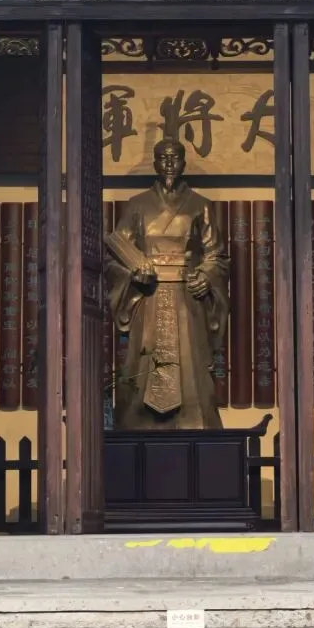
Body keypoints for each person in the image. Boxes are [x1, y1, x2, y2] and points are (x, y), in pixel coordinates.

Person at [105, 137, 229, 430]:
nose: (170, 163)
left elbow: (217, 255)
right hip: (148, 296)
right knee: (145, 357)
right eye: (163, 158)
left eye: (175, 158)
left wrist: (206, 276)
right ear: (155, 163)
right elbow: (115, 255)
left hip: (186, 297)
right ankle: (137, 420)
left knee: (190, 362)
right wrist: (134, 273)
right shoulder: (137, 205)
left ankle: (195, 419)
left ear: (184, 163)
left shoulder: (200, 205)